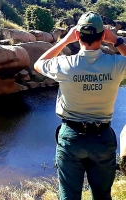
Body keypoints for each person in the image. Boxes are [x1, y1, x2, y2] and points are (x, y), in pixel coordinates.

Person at [34, 11, 126, 200]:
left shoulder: (64, 64)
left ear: (78, 36)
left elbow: (38, 64)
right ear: (102, 36)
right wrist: (116, 40)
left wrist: (65, 41)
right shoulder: (116, 65)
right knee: (102, 196)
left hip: (71, 137)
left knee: (69, 196)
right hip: (103, 138)